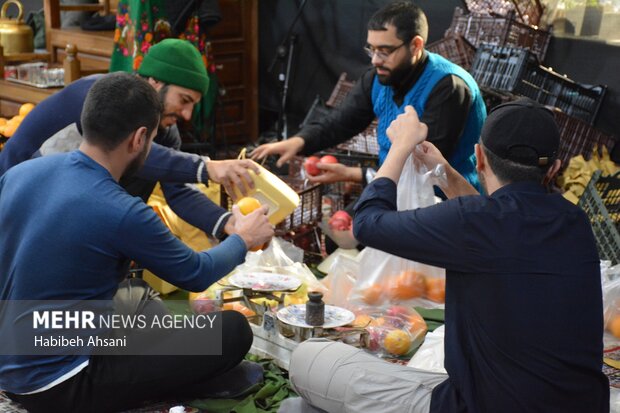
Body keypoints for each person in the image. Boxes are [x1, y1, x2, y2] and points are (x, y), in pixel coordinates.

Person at [283, 99, 609, 413]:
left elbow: (367, 223)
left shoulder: (475, 222)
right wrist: (443, 172)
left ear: (479, 157)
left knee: (308, 359)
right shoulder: (575, 222)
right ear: (554, 168)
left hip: (478, 405)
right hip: (582, 403)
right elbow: (493, 220)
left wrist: (399, 147)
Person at [0, 73, 274, 412]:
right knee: (230, 332)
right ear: (140, 138)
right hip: (60, 384)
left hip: (15, 353)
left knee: (143, 306)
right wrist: (243, 239)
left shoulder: (18, 175)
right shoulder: (120, 209)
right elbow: (196, 273)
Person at [0, 38, 255, 241]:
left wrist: (229, 224)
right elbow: (133, 147)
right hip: (14, 204)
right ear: (155, 82)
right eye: (184, 100)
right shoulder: (99, 96)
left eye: (193, 106)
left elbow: (176, 187)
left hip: (62, 208)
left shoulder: (166, 133)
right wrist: (207, 167)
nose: (187, 115)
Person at [251, 1, 486, 191]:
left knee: (362, 233)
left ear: (415, 46)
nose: (374, 60)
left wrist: (355, 175)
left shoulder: (449, 87)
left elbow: (423, 166)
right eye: (371, 50)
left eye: (384, 51)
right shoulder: (378, 77)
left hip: (444, 199)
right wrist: (299, 141)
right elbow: (341, 122)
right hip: (392, 184)